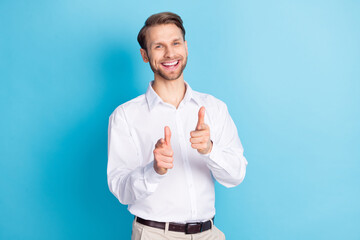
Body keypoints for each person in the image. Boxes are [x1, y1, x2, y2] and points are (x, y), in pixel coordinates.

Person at [107, 12, 248, 240]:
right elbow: (121, 190)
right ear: (144, 55)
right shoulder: (125, 116)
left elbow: (236, 176)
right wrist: (154, 170)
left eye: (175, 43)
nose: (170, 53)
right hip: (155, 235)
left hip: (208, 234)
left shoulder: (214, 108)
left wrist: (209, 150)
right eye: (158, 46)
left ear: (186, 47)